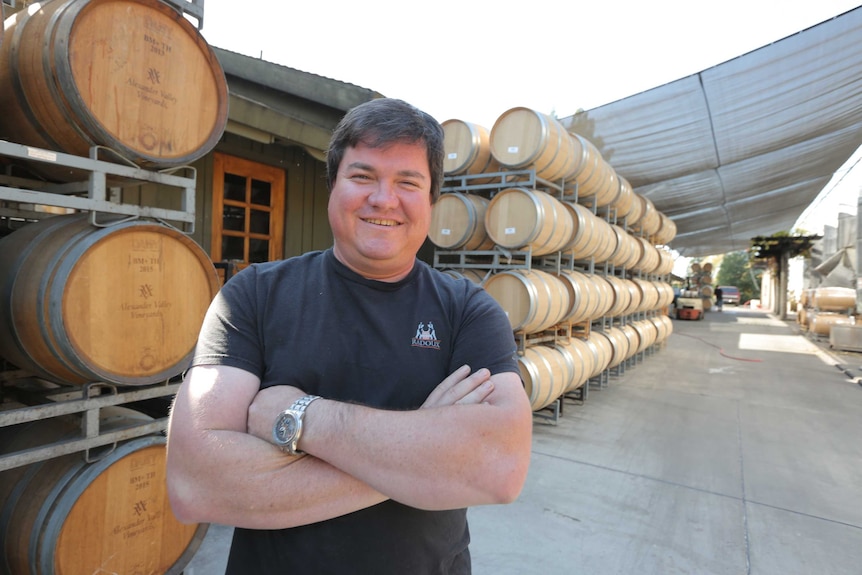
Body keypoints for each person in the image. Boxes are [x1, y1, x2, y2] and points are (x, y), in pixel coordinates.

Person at [165, 98, 533, 574]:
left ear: (432, 202)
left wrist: (298, 417)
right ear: (332, 188)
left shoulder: (469, 312)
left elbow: (499, 468)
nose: (383, 198)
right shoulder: (253, 296)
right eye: (362, 176)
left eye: (408, 182)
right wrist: (426, 455)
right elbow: (197, 483)